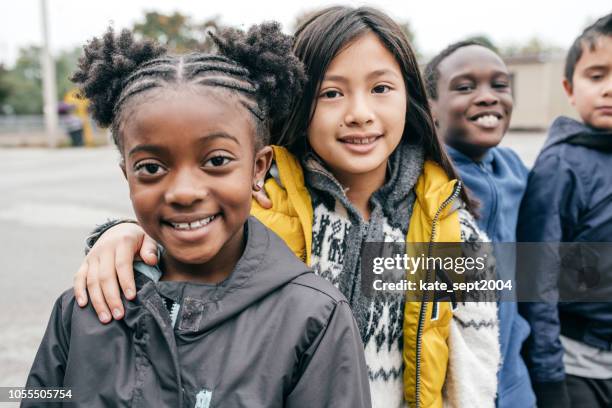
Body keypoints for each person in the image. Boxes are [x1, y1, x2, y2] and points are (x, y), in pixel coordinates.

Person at [72, 7, 500, 407]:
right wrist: (124, 234)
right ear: (298, 101)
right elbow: (183, 232)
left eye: (381, 88)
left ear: (411, 96)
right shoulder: (261, 203)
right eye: (332, 93)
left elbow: (475, 366)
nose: (360, 113)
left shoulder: (447, 228)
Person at [23, 24, 371, 407]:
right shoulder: (82, 307)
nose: (184, 192)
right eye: (152, 168)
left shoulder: (314, 318)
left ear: (258, 169)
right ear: (127, 175)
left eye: (216, 161)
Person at [425, 41, 536, 407]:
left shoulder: (516, 170)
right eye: (465, 87)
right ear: (432, 108)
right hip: (457, 384)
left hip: (514, 378)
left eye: (499, 85)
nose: (488, 97)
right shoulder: (425, 177)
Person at [517, 13, 612, 408]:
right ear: (570, 88)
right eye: (596, 75)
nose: (609, 89)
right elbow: (537, 276)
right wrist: (549, 376)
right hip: (576, 367)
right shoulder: (562, 165)